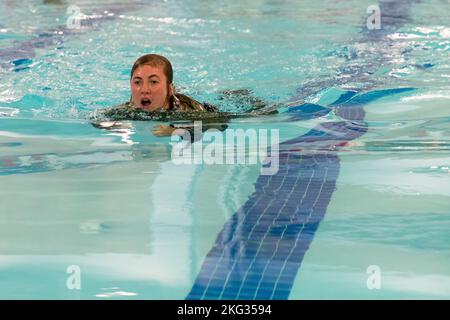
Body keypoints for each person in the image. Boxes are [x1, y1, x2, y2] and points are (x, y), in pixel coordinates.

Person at [91, 54, 276, 137]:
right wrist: (120, 128)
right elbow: (96, 120)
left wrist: (177, 131)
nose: (144, 89)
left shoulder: (184, 111)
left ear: (170, 89)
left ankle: (236, 93)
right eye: (137, 82)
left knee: (267, 112)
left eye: (154, 82)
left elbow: (220, 124)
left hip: (213, 109)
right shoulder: (127, 110)